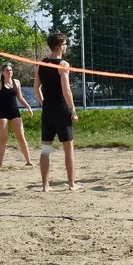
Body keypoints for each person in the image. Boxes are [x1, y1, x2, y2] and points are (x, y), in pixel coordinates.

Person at [34, 32, 79, 192]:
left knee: (46, 148)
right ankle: (71, 184)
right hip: (60, 108)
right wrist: (72, 110)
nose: (66, 46)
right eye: (65, 43)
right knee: (68, 148)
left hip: (48, 109)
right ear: (60, 46)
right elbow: (66, 89)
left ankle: (45, 186)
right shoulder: (63, 64)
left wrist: (44, 103)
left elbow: (36, 88)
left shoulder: (42, 64)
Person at [0, 62, 34, 168]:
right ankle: (0, 164)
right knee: (3, 138)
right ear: (3, 72)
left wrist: (28, 107)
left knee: (21, 136)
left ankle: (28, 161)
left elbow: (20, 97)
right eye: (7, 70)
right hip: (3, 112)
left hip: (14, 111)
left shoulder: (16, 82)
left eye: (11, 70)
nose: (9, 72)